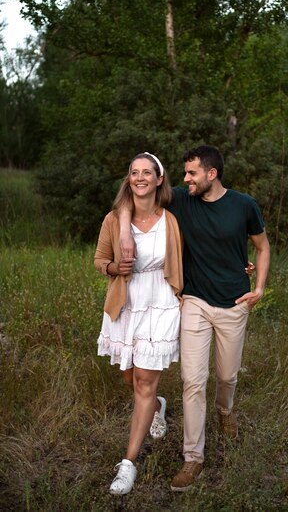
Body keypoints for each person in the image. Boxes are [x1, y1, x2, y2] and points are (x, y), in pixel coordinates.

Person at [119, 145, 270, 492]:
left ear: (211, 175)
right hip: (194, 302)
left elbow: (262, 247)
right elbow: (135, 194)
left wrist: (258, 287)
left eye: (192, 173)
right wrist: (125, 230)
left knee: (227, 375)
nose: (185, 179)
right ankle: (193, 458)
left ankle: (225, 410)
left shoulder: (244, 205)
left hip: (234, 303)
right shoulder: (182, 201)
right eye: (184, 173)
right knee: (192, 381)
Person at [94, 152, 183, 496]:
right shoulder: (114, 219)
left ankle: (128, 463)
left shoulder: (173, 220)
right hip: (126, 302)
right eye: (134, 172)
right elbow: (100, 260)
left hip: (161, 301)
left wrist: (239, 266)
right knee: (131, 376)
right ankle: (157, 405)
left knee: (144, 381)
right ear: (129, 178)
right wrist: (116, 269)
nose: (140, 177)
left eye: (147, 172)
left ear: (160, 179)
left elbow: (205, 244)